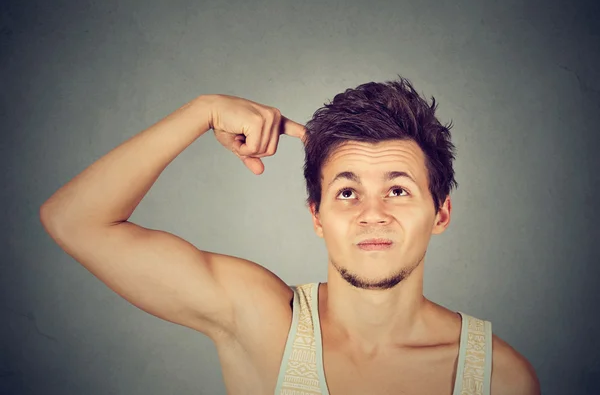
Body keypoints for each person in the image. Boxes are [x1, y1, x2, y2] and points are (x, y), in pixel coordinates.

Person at [40, 76, 540, 395]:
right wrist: (203, 111)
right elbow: (72, 220)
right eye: (347, 193)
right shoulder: (261, 323)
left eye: (399, 190)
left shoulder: (500, 378)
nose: (372, 213)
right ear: (316, 215)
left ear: (441, 213)